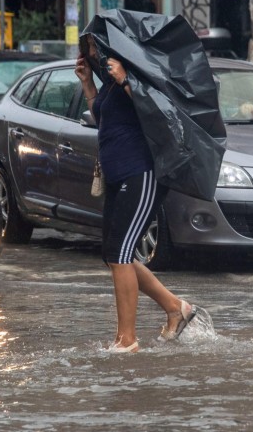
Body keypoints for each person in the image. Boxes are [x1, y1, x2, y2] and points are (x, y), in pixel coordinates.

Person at [76, 35, 199, 353]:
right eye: (88, 49)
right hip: (117, 176)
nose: (92, 53)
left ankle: (127, 340)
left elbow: (158, 114)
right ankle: (175, 308)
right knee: (112, 254)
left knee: (120, 252)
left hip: (142, 173)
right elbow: (104, 121)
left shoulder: (138, 74)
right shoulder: (109, 83)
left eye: (94, 46)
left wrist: (127, 80)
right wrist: (89, 85)